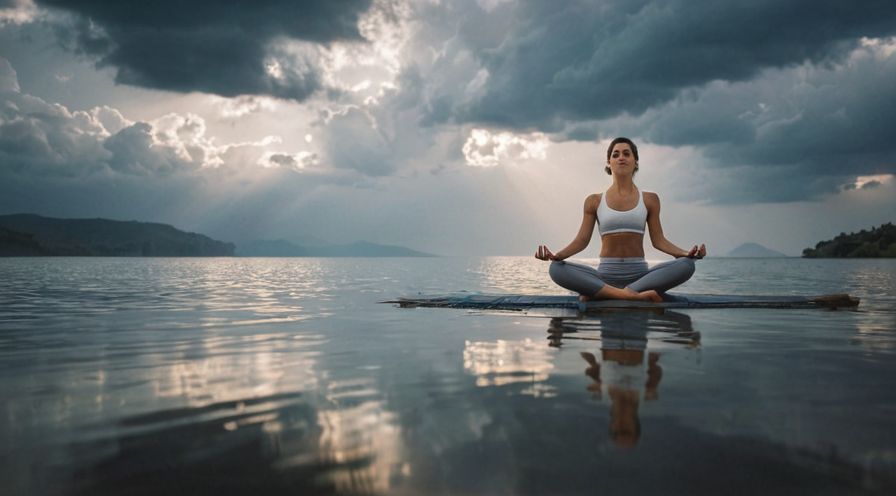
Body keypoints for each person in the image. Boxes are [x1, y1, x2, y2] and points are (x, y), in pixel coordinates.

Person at [535, 137, 706, 302]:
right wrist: (557, 255)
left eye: (626, 154)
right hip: (604, 276)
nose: (621, 158)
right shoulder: (594, 201)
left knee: (687, 265)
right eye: (615, 155)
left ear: (635, 161)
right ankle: (632, 296)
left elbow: (659, 240)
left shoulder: (650, 199)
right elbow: (582, 240)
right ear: (609, 162)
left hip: (640, 277)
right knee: (556, 269)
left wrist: (686, 254)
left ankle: (602, 294)